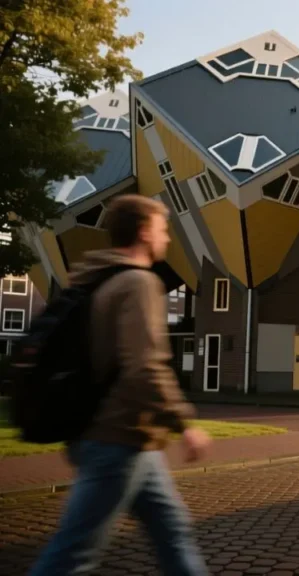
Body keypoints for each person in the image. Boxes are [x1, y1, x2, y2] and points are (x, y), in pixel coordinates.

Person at [30, 195, 211, 575]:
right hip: (116, 439)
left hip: (126, 439)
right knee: (73, 553)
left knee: (174, 532)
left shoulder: (98, 279)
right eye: (163, 229)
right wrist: (185, 424)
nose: (167, 238)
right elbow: (145, 365)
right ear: (144, 232)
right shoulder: (137, 282)